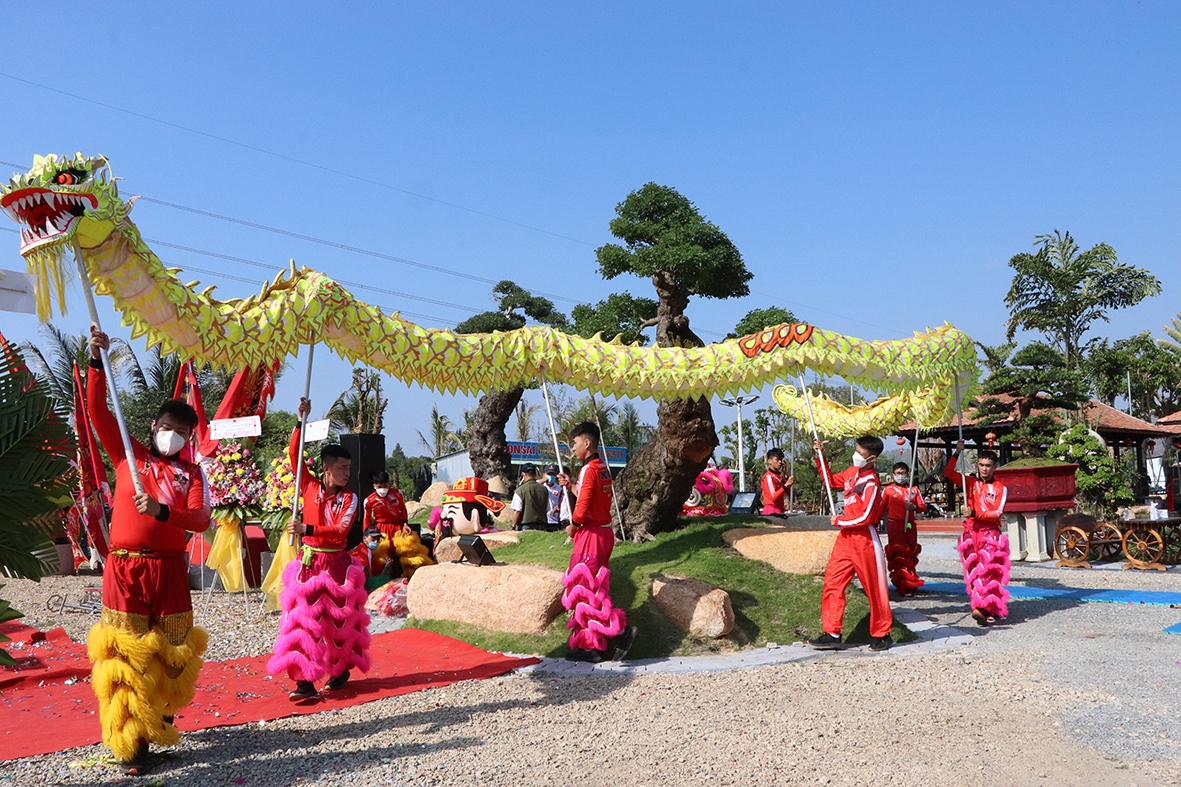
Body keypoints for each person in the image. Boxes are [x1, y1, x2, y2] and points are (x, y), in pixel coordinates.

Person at [85, 328, 211, 775]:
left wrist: (160, 511)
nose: (172, 436)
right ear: (153, 428)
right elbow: (98, 410)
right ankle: (131, 743)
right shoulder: (128, 455)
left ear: (190, 437)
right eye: (166, 428)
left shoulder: (194, 475)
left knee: (173, 652)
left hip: (171, 571)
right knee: (125, 653)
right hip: (123, 570)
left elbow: (200, 521)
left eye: (182, 431)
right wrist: (98, 363)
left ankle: (161, 719)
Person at [267, 398, 370, 701]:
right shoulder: (309, 487)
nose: (347, 473)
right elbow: (294, 453)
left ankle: (339, 672)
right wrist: (301, 419)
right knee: (303, 623)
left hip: (338, 563)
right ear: (326, 468)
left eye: (349, 468)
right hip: (310, 563)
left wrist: (306, 529)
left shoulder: (350, 498)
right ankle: (304, 682)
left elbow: (341, 530)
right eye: (342, 468)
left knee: (339, 621)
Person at [558, 422, 636, 663]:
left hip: (590, 535)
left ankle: (621, 632)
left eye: (574, 443)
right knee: (590, 591)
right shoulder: (601, 467)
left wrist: (574, 524)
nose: (573, 448)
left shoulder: (589, 470)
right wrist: (570, 486)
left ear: (587, 443)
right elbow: (591, 497)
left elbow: (582, 507)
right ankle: (592, 645)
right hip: (603, 533)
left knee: (586, 590)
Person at [808, 436, 893, 652]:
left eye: (860, 453)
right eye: (856, 450)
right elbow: (829, 481)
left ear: (871, 458)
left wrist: (840, 521)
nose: (856, 455)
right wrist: (821, 456)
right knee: (833, 583)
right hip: (845, 539)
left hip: (864, 538)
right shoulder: (850, 473)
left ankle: (882, 634)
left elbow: (865, 517)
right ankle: (832, 632)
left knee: (875, 588)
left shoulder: (872, 483)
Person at [946, 440, 1009, 626]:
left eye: (988, 466)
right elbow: (948, 473)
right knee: (973, 572)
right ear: (977, 465)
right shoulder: (969, 483)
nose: (984, 469)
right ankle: (982, 607)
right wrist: (956, 453)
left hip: (990, 533)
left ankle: (985, 609)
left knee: (989, 573)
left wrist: (975, 513)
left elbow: (997, 513)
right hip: (970, 533)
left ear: (994, 467)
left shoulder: (1000, 489)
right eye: (981, 465)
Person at [881, 462, 927, 596]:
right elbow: (881, 507)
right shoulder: (888, 490)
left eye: (903, 473)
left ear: (908, 474)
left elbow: (923, 506)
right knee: (899, 554)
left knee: (910, 553)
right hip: (894, 524)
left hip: (910, 524)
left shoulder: (914, 489)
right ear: (893, 475)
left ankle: (910, 581)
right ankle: (903, 584)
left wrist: (915, 508)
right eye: (898, 473)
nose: (901, 476)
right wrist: (873, 521)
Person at [364, 471, 410, 538]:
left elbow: (403, 509)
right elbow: (366, 519)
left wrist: (405, 523)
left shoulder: (398, 493)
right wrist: (366, 534)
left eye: (385, 486)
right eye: (379, 487)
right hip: (380, 528)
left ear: (389, 484)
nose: (382, 489)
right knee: (382, 547)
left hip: (397, 526)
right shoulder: (369, 500)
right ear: (374, 486)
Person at [349, 524, 394, 590]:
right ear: (364, 538)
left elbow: (378, 567)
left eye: (378, 539)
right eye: (373, 539)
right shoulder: (364, 553)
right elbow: (367, 580)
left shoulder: (364, 550)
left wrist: (386, 566)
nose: (376, 541)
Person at [511, 463, 552, 531]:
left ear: (523, 474)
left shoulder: (520, 490)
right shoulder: (544, 489)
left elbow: (517, 510)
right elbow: (548, 509)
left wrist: (513, 526)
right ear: (535, 474)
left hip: (526, 526)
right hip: (542, 526)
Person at [760, 447, 795, 515]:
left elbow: (787, 491)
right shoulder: (768, 477)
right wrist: (786, 485)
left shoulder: (779, 476)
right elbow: (773, 497)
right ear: (770, 461)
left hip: (780, 509)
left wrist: (785, 475)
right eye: (777, 459)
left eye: (781, 460)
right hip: (771, 510)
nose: (780, 462)